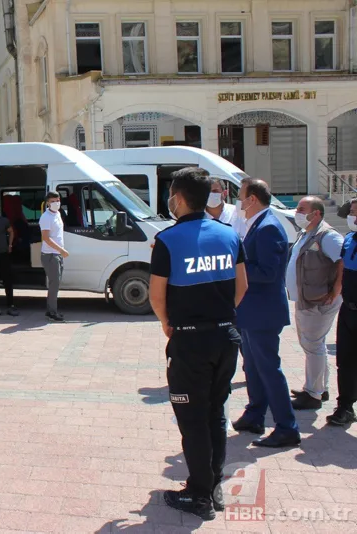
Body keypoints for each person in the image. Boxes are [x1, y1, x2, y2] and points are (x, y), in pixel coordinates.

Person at [148, 167, 247, 521]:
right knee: (215, 413)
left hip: (190, 341)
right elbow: (242, 287)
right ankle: (215, 483)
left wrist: (168, 325)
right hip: (225, 337)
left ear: (178, 197)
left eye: (171, 194)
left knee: (192, 420)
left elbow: (156, 295)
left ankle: (199, 494)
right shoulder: (228, 235)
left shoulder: (168, 240)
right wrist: (218, 317)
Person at [233, 179, 300, 448]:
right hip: (251, 312)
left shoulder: (269, 227)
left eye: (241, 196)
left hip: (263, 313)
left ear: (253, 199)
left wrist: (236, 268)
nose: (238, 201)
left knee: (269, 369)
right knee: (253, 366)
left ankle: (287, 427)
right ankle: (255, 414)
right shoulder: (258, 224)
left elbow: (269, 272)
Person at [286, 197, 343, 410]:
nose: (297, 212)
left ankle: (314, 394)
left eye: (302, 209)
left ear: (316, 213)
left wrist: (336, 290)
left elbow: (343, 260)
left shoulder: (327, 236)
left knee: (313, 344)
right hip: (307, 298)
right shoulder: (307, 232)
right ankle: (319, 387)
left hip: (319, 301)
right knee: (313, 344)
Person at [329, 199, 357, 426]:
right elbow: (343, 267)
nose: (353, 216)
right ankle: (345, 406)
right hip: (348, 310)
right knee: (345, 361)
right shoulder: (348, 239)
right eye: (353, 212)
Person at [39, 192, 70, 322]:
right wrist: (61, 250)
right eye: (53, 201)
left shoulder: (57, 214)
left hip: (57, 254)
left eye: (58, 200)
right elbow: (46, 238)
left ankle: (51, 310)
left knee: (56, 284)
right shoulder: (46, 217)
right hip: (50, 255)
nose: (57, 203)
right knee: (54, 284)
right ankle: (51, 312)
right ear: (47, 202)